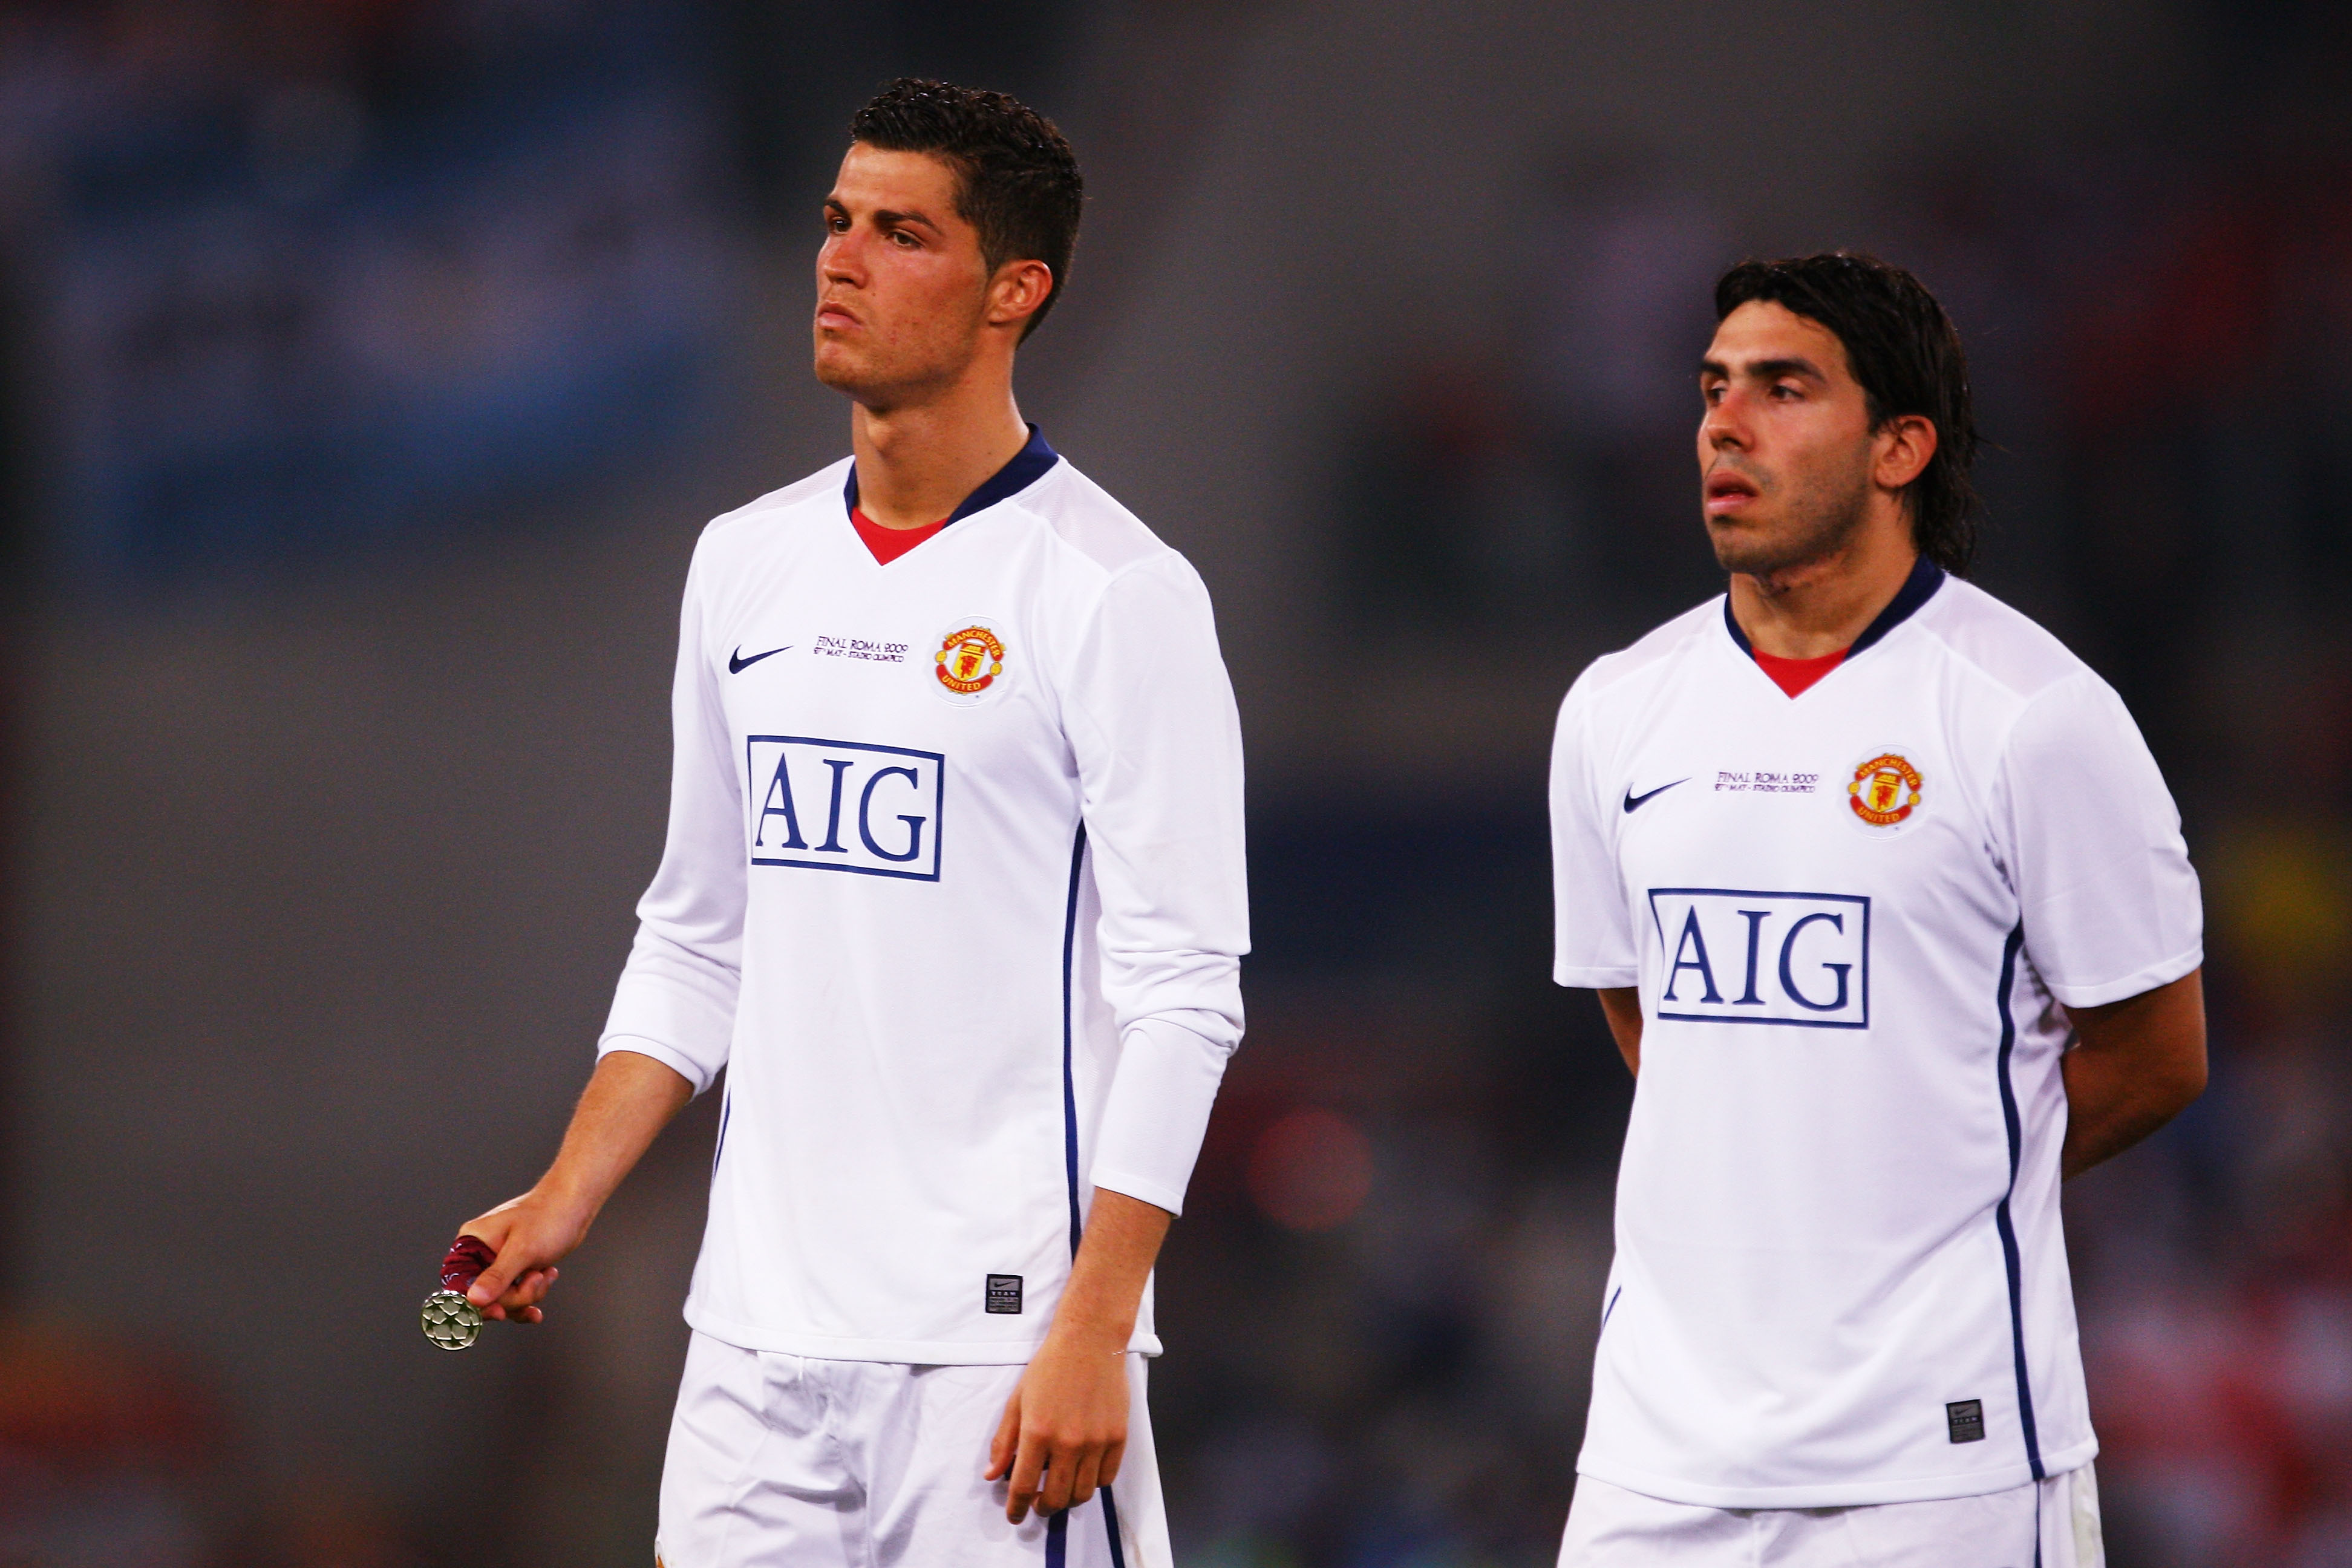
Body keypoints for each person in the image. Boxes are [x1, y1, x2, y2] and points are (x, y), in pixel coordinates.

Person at [445, 79, 1247, 1568]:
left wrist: (1098, 1326)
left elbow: (1187, 997)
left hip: (995, 1350)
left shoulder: (1117, 594)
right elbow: (697, 937)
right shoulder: (744, 564)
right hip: (753, 1341)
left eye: (899, 232)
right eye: (832, 223)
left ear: (1016, 290)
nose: (839, 260)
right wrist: (571, 1193)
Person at [1546, 252, 2206, 1566]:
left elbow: (2156, 1057)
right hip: (1651, 1461)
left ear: (1900, 445)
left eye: (1783, 389)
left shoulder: (2035, 716)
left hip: (1939, 1462)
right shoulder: (1615, 709)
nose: (1725, 424)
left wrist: (1929, 1179)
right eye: (1713, 387)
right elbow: (1651, 1023)